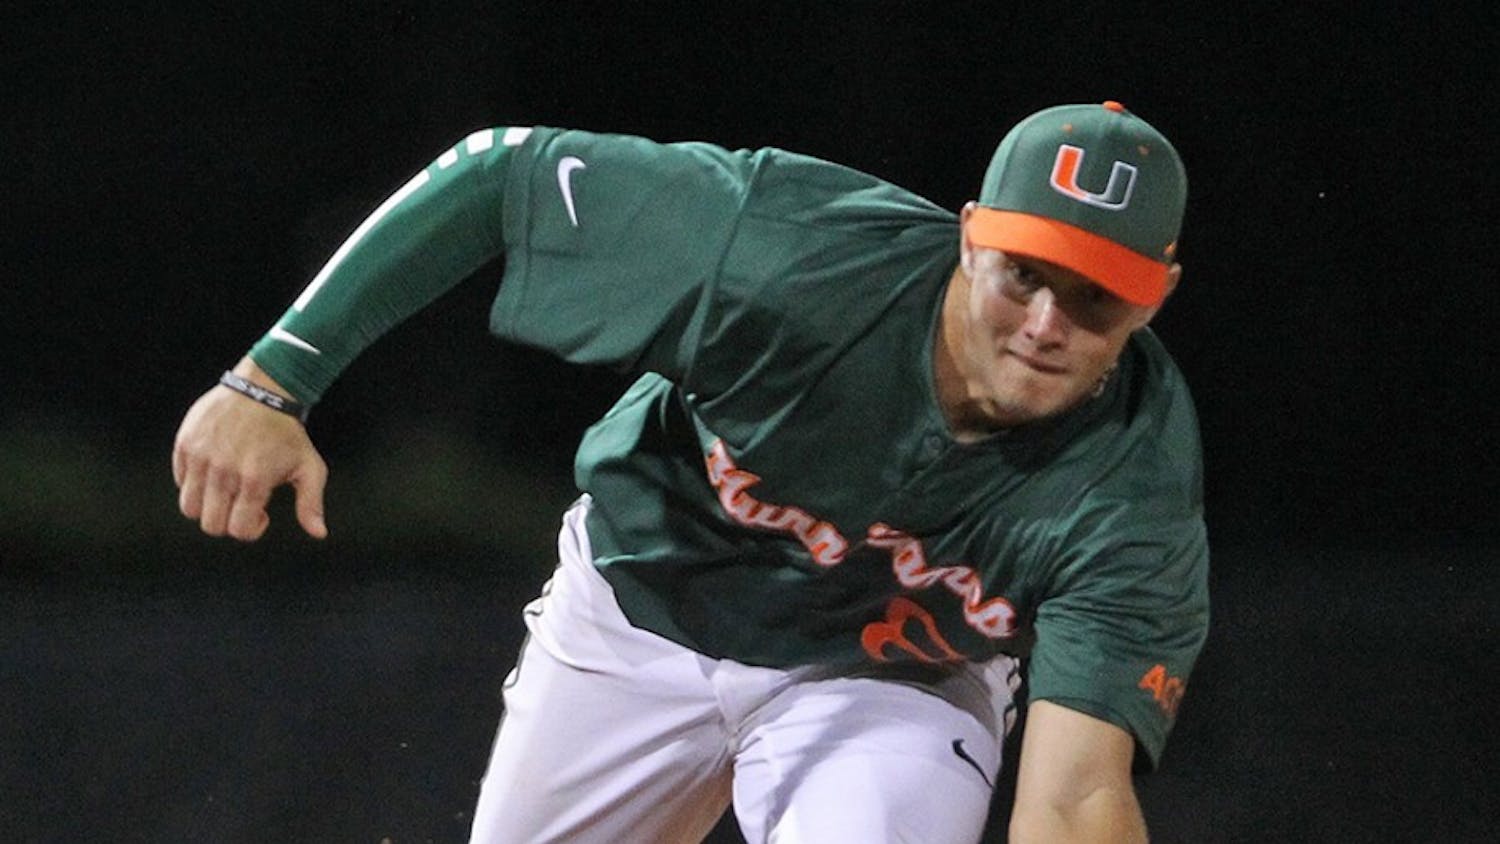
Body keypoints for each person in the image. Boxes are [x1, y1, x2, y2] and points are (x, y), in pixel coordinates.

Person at [173, 101, 1209, 843]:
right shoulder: (782, 254)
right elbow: (503, 172)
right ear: (971, 236)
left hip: (889, 681)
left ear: (1154, 298)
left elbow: (1074, 798)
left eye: (1094, 300)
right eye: (1026, 275)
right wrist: (273, 380)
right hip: (639, 611)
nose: (1044, 325)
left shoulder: (1134, 490)